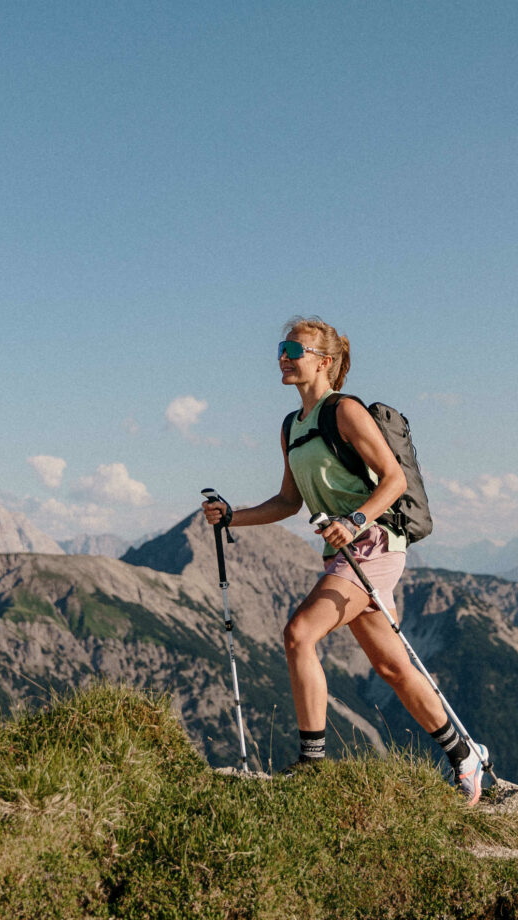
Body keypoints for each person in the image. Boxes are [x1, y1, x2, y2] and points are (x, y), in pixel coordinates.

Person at [202, 315, 488, 804]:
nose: (283, 357)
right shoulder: (292, 426)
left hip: (375, 545)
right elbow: (288, 503)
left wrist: (355, 520)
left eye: (294, 350)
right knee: (392, 668)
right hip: (344, 553)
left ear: (325, 362)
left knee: (299, 634)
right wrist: (231, 517)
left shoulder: (345, 411)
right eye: (281, 348)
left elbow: (393, 479)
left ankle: (312, 765)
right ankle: (466, 754)